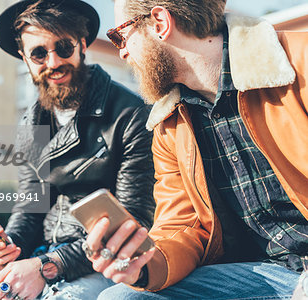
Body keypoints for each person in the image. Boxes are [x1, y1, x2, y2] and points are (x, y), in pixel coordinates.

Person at [0, 0, 156, 299]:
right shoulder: (31, 122)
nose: (53, 62)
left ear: (82, 45)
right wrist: (8, 244)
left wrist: (46, 266)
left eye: (64, 47)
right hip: (39, 254)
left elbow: (133, 222)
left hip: (100, 262)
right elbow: (29, 209)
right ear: (25, 58)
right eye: (39, 53)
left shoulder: (131, 113)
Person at [83, 0, 308, 299]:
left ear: (160, 23)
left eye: (120, 35)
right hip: (263, 274)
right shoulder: (168, 123)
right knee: (120, 297)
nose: (121, 51)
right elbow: (181, 226)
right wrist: (143, 265)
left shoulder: (299, 63)